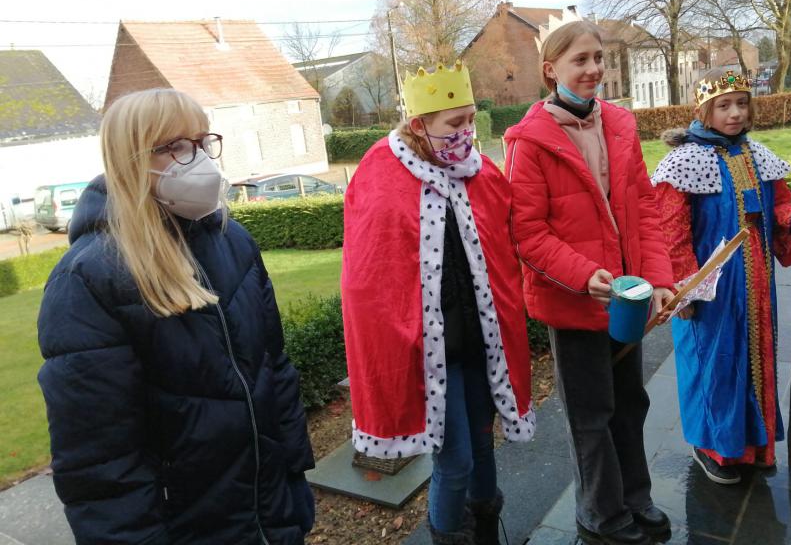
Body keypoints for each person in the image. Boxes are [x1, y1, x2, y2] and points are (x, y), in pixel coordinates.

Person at [37, 89, 315, 545]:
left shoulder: (233, 239)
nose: (199, 160)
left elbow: (274, 370)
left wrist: (294, 476)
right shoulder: (88, 280)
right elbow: (101, 462)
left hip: (271, 514)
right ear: (130, 160)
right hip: (189, 528)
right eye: (174, 147)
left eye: (203, 143)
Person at [341, 61, 534, 545]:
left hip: (477, 347)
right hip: (430, 359)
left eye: (471, 119)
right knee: (456, 462)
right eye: (455, 123)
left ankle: (487, 528)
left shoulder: (482, 173)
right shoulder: (380, 175)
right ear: (419, 124)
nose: (466, 132)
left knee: (485, 448)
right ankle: (450, 536)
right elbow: (369, 279)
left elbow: (507, 251)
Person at [504, 20, 675, 545]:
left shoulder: (620, 124)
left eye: (598, 57)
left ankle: (635, 497)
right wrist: (583, 276)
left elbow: (644, 208)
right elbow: (526, 233)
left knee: (631, 403)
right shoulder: (527, 142)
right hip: (574, 301)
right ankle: (600, 515)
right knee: (591, 414)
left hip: (626, 299)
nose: (594, 68)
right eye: (580, 60)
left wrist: (660, 279)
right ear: (551, 70)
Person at [651, 71, 791, 485]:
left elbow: (777, 206)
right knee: (714, 363)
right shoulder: (683, 162)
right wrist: (683, 289)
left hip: (756, 281)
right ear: (704, 110)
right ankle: (713, 447)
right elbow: (670, 231)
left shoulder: (758, 156)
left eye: (742, 103)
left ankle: (754, 445)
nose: (735, 113)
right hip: (710, 288)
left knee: (755, 359)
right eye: (724, 105)